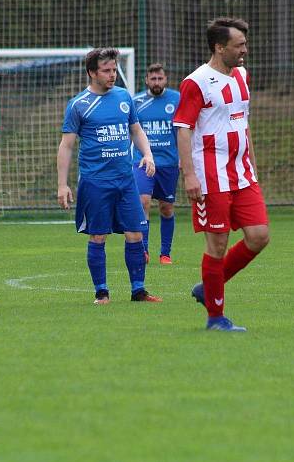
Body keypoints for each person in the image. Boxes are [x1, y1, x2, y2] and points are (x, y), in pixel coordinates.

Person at [174, 18, 270, 332]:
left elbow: (244, 124)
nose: (245, 49)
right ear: (219, 47)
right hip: (210, 175)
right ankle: (215, 318)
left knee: (259, 236)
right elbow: (184, 130)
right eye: (238, 45)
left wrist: (253, 166)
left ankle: (207, 287)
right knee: (216, 245)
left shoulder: (242, 75)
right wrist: (189, 176)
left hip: (242, 174)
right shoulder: (196, 82)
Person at [57, 47, 163, 305]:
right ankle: (101, 292)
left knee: (136, 234)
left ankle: (138, 290)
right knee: (98, 236)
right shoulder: (79, 104)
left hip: (125, 180)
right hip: (95, 182)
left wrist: (147, 155)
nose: (112, 74)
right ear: (92, 72)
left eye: (114, 69)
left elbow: (136, 130)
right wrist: (62, 184)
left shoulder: (123, 97)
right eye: (106, 70)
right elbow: (67, 145)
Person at [131, 63, 181, 265]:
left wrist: (183, 158)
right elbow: (132, 131)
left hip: (168, 163)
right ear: (146, 80)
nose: (157, 82)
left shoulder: (177, 99)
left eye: (160, 78)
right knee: (143, 202)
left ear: (166, 79)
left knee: (166, 208)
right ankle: (143, 251)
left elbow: (183, 130)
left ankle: (165, 253)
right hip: (143, 161)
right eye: (153, 79)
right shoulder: (136, 102)